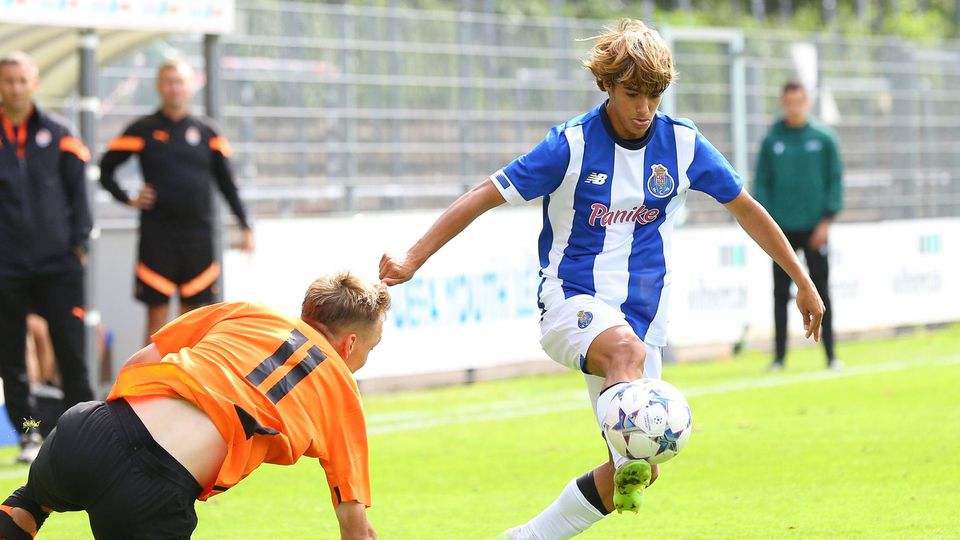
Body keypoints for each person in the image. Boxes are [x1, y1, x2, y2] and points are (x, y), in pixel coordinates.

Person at [379, 19, 825, 540]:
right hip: (571, 304)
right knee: (624, 356)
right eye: (632, 93)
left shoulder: (682, 145)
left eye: (654, 95)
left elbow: (747, 210)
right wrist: (413, 257)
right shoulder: (568, 146)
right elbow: (485, 194)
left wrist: (803, 279)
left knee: (637, 470)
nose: (644, 108)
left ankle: (525, 538)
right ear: (607, 86)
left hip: (642, 323)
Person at [0, 272, 389, 540]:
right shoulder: (342, 392)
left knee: (29, 506)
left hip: (90, 429)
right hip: (152, 493)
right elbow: (354, 526)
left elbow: (138, 363)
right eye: (371, 349)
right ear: (350, 345)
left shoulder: (248, 311)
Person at [98, 59, 255, 344]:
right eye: (168, 81)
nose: (174, 88)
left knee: (195, 321)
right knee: (157, 319)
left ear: (191, 86)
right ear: (159, 86)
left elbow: (227, 184)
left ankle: (188, 388)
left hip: (198, 238)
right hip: (157, 238)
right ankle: (148, 388)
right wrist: (128, 197)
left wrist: (246, 226)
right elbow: (105, 169)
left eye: (180, 81)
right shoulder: (142, 129)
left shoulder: (208, 132)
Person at [0, 51, 95, 464]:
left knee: (70, 348)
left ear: (34, 82)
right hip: (6, 266)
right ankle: (29, 434)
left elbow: (80, 196)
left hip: (58, 263)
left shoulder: (60, 131)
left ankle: (88, 429)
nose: (15, 88)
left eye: (22, 80)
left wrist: (79, 246)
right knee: (10, 355)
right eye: (8, 81)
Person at [754, 80, 843, 371]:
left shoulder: (824, 138)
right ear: (783, 103)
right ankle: (779, 357)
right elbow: (761, 185)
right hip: (781, 231)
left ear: (807, 103)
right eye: (788, 102)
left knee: (822, 291)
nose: (793, 108)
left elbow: (835, 182)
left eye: (798, 102)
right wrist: (769, 225)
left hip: (815, 229)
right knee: (780, 294)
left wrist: (826, 222)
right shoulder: (772, 140)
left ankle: (831, 356)